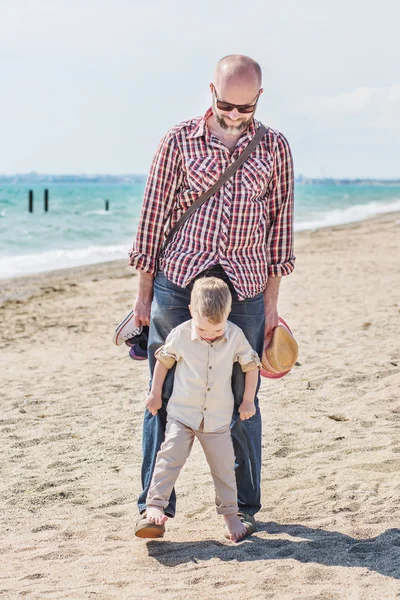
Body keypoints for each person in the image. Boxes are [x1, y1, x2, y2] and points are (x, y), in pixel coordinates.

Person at [129, 53, 295, 537]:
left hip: (244, 284)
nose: (235, 115)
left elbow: (279, 230)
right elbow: (152, 217)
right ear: (211, 91)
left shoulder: (275, 148)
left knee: (245, 395)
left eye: (245, 108)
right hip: (177, 282)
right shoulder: (179, 139)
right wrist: (143, 295)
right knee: (161, 395)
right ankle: (154, 506)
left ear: (258, 98)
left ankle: (244, 504)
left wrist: (270, 306)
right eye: (227, 104)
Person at [136, 277, 261, 542]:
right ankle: (155, 504)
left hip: (217, 419)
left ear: (228, 314)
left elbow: (251, 366)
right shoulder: (181, 333)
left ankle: (230, 514)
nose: (211, 336)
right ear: (192, 311)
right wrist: (155, 394)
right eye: (204, 330)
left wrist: (248, 400)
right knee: (169, 458)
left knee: (224, 467)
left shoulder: (234, 334)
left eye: (216, 331)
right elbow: (163, 362)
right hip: (182, 415)